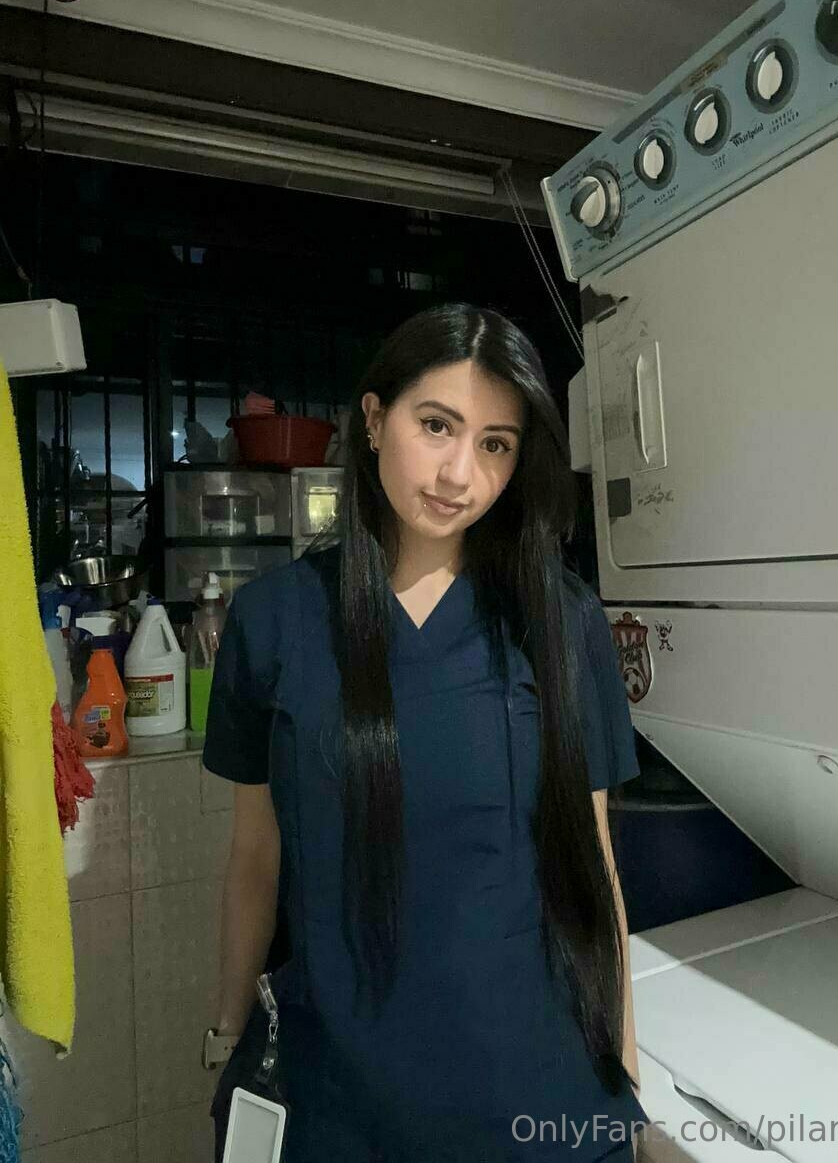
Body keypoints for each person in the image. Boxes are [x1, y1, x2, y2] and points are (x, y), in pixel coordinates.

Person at [202, 303, 648, 1161]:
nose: (459, 474)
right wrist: (227, 1036)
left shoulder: (562, 622)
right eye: (436, 425)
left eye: (496, 444)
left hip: (534, 1094)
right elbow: (255, 858)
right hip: (335, 1100)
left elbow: (592, 868)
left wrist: (625, 1077)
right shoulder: (275, 621)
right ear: (374, 420)